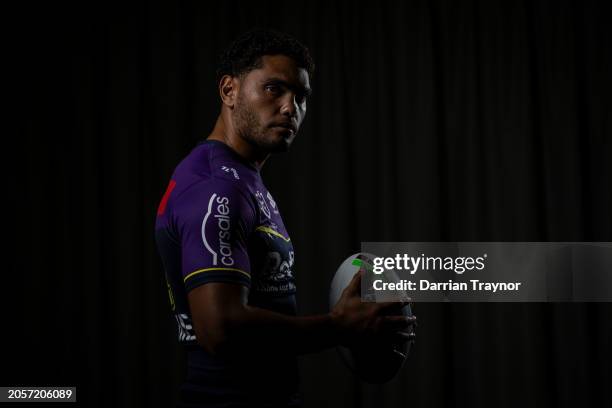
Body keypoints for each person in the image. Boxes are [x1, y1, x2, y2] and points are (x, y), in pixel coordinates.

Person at [154, 29, 416, 408]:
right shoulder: (216, 186)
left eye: (301, 96)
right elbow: (218, 329)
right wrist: (338, 326)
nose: (290, 107)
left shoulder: (243, 178)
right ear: (229, 90)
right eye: (274, 89)